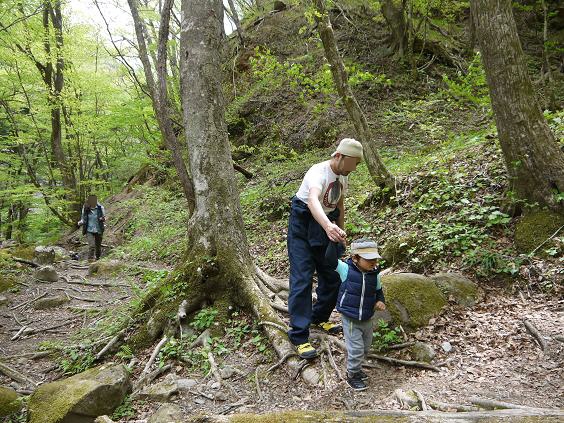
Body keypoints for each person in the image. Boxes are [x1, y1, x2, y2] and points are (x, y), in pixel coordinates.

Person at [287, 138, 363, 359]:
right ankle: (299, 335)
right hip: (303, 224)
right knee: (302, 278)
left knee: (333, 274)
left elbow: (339, 203)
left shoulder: (343, 175)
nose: (354, 168)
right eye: (353, 163)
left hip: (327, 223)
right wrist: (328, 226)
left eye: (357, 164)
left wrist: (340, 230)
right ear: (338, 156)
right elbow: (312, 200)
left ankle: (319, 317)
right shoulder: (318, 172)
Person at [326, 238, 386, 391]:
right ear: (355, 258)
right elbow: (330, 260)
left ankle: (357, 369)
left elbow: (378, 291)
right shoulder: (346, 269)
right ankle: (352, 374)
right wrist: (333, 242)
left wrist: (380, 301)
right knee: (356, 349)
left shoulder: (375, 275)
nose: (373, 262)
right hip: (351, 318)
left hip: (367, 317)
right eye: (368, 259)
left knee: (365, 347)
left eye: (375, 259)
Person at [78, 195, 106, 262]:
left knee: (98, 246)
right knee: (92, 246)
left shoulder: (100, 208)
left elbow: (104, 218)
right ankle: (90, 260)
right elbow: (83, 218)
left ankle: (98, 259)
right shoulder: (85, 208)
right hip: (89, 230)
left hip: (98, 229)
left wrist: (102, 219)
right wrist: (80, 222)